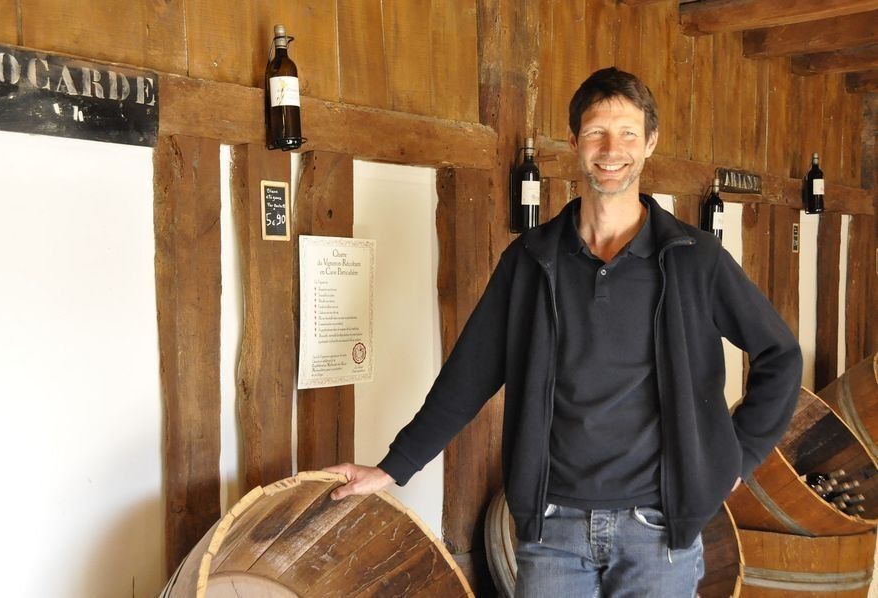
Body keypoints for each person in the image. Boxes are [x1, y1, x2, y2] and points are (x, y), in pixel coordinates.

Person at [325, 67, 802, 597]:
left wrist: (738, 456)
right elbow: (468, 376)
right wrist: (393, 468)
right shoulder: (531, 260)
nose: (611, 150)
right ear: (574, 142)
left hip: (658, 529)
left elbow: (780, 355)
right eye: (596, 132)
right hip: (554, 528)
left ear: (650, 143)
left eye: (627, 133)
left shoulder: (695, 259)